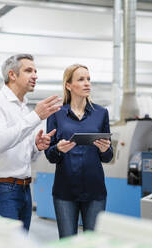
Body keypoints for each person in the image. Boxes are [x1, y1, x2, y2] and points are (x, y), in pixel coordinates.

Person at [0, 54, 61, 230]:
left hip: (23, 189)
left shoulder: (24, 108)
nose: (35, 75)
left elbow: (21, 153)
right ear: (12, 75)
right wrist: (36, 116)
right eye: (29, 70)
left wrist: (36, 146)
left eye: (36, 71)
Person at [45, 64, 113, 238]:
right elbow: (50, 155)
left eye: (88, 79)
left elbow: (107, 156)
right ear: (68, 85)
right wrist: (58, 149)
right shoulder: (56, 114)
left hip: (95, 190)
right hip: (65, 191)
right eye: (81, 79)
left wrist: (105, 149)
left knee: (94, 242)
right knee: (68, 242)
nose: (87, 83)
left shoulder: (101, 113)